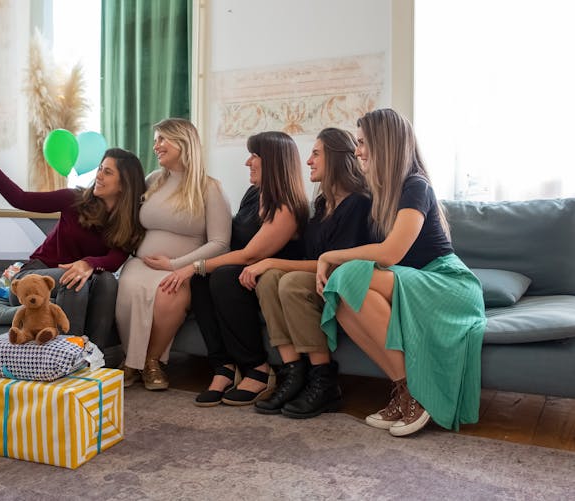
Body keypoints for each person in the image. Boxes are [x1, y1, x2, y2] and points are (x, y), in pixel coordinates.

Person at [316, 108, 486, 436]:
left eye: (363, 142)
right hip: (415, 281)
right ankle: (406, 390)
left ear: (385, 144)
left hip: (449, 284)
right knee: (339, 289)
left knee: (347, 275)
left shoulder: (415, 185)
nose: (357, 151)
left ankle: (416, 395)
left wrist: (329, 255)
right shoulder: (380, 195)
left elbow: (391, 254)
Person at [237, 128, 372, 418]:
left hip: (340, 282)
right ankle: (293, 372)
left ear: (335, 158)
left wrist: (271, 261)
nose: (308, 161)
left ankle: (323, 380)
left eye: (315, 153)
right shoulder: (323, 205)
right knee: (269, 279)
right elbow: (311, 257)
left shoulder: (358, 203)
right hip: (316, 276)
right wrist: (269, 266)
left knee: (290, 283)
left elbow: (333, 265)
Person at [179, 131, 310, 407]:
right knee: (202, 280)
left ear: (273, 161)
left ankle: (258, 369)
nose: (247, 162)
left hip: (270, 277)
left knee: (222, 276)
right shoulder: (254, 194)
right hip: (243, 273)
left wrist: (197, 265)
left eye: (254, 156)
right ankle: (223, 367)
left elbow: (251, 255)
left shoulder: (287, 205)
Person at [0, 143, 146, 347]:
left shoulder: (129, 222)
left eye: (107, 172)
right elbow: (21, 199)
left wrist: (87, 264)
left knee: (106, 280)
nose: (98, 175)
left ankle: (96, 356)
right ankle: (66, 354)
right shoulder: (74, 199)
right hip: (33, 279)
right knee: (73, 280)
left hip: (79, 280)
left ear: (124, 184)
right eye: (100, 169)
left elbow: (114, 260)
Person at [115, 118, 231, 390]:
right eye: (155, 140)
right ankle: (131, 361)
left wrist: (174, 264)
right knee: (127, 290)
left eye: (162, 139)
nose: (156, 146)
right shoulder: (152, 181)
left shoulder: (209, 187)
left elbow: (220, 243)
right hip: (140, 265)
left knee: (168, 295)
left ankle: (151, 362)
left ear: (183, 142)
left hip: (182, 267)